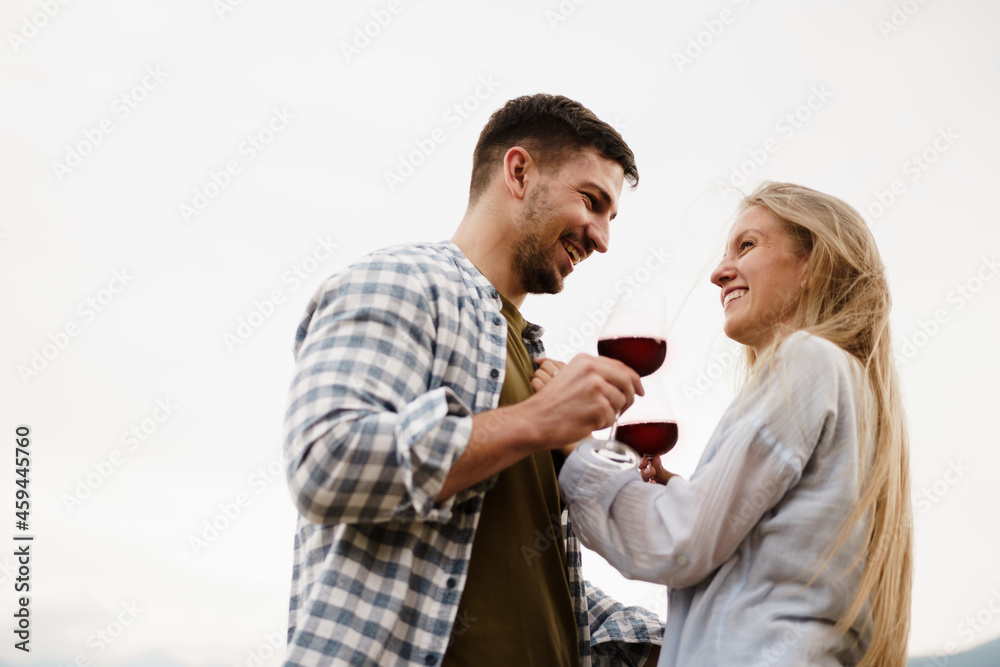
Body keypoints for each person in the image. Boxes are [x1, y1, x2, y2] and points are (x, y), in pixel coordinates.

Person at [281, 93, 664, 667]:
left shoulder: (532, 360)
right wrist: (538, 420)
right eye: (592, 201)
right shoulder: (402, 282)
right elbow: (326, 461)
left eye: (612, 218)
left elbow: (523, 575)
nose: (603, 238)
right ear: (518, 171)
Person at [555, 182, 913, 666]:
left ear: (814, 264)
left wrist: (576, 446)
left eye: (747, 246)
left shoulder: (807, 361)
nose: (719, 273)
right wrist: (682, 492)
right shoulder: (849, 383)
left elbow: (678, 543)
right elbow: (774, 558)